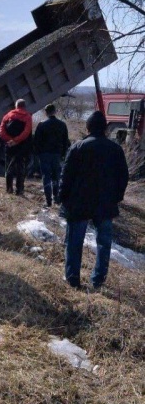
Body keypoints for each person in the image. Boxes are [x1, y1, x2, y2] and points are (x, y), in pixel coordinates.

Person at [59, 110, 129, 290]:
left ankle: (73, 279)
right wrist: (117, 197)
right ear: (105, 129)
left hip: (78, 203)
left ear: (88, 127)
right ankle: (98, 280)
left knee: (74, 242)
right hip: (105, 204)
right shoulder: (116, 149)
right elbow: (123, 177)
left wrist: (62, 198)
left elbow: (66, 176)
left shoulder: (78, 147)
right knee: (104, 244)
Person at [34, 103, 70, 207]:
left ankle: (48, 200)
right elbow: (65, 141)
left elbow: (37, 141)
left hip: (44, 154)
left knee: (46, 176)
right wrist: (63, 154)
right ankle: (56, 198)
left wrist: (38, 153)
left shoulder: (41, 124)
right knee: (56, 176)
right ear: (55, 111)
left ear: (46, 112)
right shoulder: (62, 124)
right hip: (57, 154)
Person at [0, 99, 33, 195]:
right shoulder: (27, 117)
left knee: (9, 166)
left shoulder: (8, 115)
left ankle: (9, 189)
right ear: (24, 106)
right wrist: (16, 141)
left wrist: (10, 140)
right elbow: (26, 132)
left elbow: (1, 131)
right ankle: (19, 190)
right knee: (20, 168)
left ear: (16, 106)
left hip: (9, 146)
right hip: (22, 147)